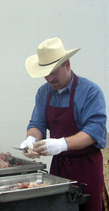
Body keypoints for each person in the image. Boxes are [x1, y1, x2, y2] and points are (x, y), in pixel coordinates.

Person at [20, 37, 107, 211]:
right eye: (45, 74)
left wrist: (62, 144)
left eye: (53, 72)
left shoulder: (90, 91)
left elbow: (94, 130)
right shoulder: (44, 92)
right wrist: (31, 138)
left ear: (67, 64)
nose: (49, 78)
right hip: (59, 167)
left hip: (86, 166)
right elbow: (37, 123)